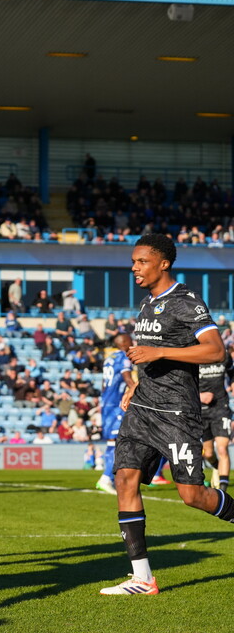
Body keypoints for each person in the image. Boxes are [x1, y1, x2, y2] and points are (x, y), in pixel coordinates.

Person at [101, 234, 234, 596]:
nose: (134, 268)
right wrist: (134, 386)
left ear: (163, 263)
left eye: (141, 261)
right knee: (124, 480)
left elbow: (215, 351)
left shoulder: (186, 302)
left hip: (177, 413)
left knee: (192, 495)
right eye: (133, 262)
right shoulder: (148, 304)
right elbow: (147, 357)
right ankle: (142, 578)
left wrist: (159, 353)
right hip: (142, 408)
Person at [96, 333, 134, 494]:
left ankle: (111, 478)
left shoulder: (109, 358)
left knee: (114, 442)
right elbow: (127, 378)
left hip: (106, 404)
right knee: (118, 442)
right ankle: (106, 478)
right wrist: (135, 389)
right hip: (116, 405)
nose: (133, 343)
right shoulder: (124, 358)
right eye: (130, 341)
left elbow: (104, 384)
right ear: (124, 342)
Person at [198, 348, 234, 492]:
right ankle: (217, 468)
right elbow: (183, 385)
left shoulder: (223, 355)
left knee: (222, 448)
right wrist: (199, 395)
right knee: (208, 453)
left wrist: (232, 383)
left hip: (221, 407)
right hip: (201, 410)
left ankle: (222, 490)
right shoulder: (194, 357)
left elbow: (232, 372)